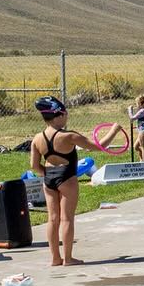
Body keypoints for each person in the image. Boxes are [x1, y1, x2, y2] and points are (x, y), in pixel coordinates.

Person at [29, 97, 100, 267]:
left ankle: (55, 258)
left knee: (52, 219)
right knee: (67, 218)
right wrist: (114, 129)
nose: (67, 116)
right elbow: (97, 146)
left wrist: (48, 173)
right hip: (67, 177)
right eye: (65, 113)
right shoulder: (69, 136)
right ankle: (68, 258)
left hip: (48, 179)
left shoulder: (37, 139)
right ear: (58, 115)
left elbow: (33, 166)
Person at [128, 95, 144, 162]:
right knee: (136, 147)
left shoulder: (142, 111)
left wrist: (130, 110)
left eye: (137, 103)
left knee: (143, 147)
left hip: (143, 131)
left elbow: (132, 118)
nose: (136, 105)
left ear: (140, 103)